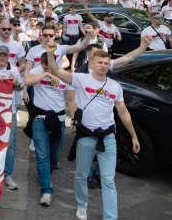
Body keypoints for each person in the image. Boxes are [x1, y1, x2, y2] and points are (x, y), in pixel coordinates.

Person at [45, 42, 140, 220]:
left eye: (106, 63)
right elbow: (56, 72)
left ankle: (110, 217)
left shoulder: (115, 87)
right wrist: (50, 54)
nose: (103, 65)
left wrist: (133, 135)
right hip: (86, 137)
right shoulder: (80, 79)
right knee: (81, 175)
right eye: (99, 62)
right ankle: (82, 205)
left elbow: (122, 111)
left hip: (108, 138)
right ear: (92, 63)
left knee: (108, 180)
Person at [23, 52, 65, 207]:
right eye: (44, 65)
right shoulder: (38, 71)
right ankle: (47, 190)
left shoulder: (64, 74)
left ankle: (45, 174)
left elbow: (72, 99)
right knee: (42, 155)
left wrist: (75, 118)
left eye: (50, 65)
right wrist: (45, 74)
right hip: (40, 119)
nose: (47, 68)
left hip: (59, 120)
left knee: (54, 156)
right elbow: (26, 79)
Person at [0, 44, 24, 191]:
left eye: (5, 55)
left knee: (10, 144)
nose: (2, 57)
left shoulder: (14, 69)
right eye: (0, 55)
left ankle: (7, 174)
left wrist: (15, 82)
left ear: (9, 57)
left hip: (9, 111)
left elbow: (21, 86)